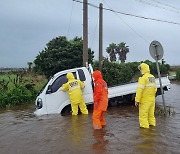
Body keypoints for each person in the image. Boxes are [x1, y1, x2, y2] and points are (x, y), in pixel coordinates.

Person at [135, 63, 157, 128]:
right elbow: (155, 89)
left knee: (143, 116)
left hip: (145, 101)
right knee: (151, 116)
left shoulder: (143, 78)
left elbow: (139, 90)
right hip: (152, 100)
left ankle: (145, 133)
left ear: (142, 69)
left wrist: (137, 100)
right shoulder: (152, 77)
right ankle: (152, 129)